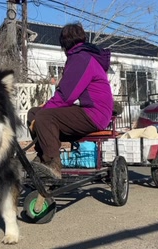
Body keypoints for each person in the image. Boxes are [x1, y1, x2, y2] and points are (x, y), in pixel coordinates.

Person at [27, 22, 114, 178]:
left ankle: (52, 164)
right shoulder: (81, 56)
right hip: (90, 110)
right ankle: (43, 155)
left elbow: (67, 96)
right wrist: (44, 107)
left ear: (64, 44)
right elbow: (67, 94)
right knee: (34, 113)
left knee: (44, 116)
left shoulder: (81, 58)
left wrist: (46, 109)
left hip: (95, 113)